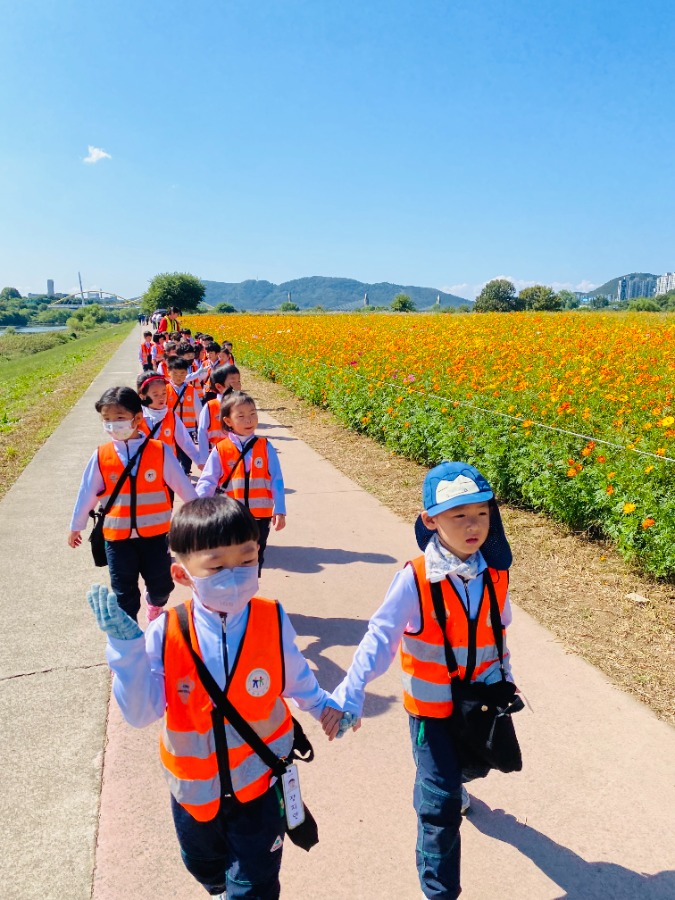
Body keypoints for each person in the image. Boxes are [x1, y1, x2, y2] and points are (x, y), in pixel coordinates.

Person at [87, 495, 332, 899]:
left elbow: (296, 675)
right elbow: (141, 712)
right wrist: (127, 653)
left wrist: (323, 706)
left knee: (254, 883)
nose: (234, 574)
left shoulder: (271, 616)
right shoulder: (166, 632)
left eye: (247, 559)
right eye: (217, 566)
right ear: (182, 575)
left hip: (261, 779)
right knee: (203, 864)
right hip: (194, 791)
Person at [321, 462, 516, 900]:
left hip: (480, 704)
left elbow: (499, 628)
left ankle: (447, 781)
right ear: (430, 520)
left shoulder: (497, 573)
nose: (473, 526)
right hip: (431, 711)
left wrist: (507, 680)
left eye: (482, 514)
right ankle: (440, 892)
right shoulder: (414, 578)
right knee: (440, 807)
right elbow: (379, 638)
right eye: (458, 515)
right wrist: (350, 692)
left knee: (471, 770)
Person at [68, 386, 197, 621]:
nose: (112, 425)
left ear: (137, 418)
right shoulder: (101, 455)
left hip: (155, 536)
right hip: (117, 539)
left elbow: (184, 487)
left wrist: (202, 519)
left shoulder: (159, 451)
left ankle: (154, 604)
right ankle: (132, 637)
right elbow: (87, 493)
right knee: (123, 593)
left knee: (162, 587)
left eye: (119, 418)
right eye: (106, 419)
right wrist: (76, 526)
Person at [196, 392, 285, 573]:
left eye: (253, 414)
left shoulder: (265, 446)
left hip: (260, 518)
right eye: (241, 416)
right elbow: (207, 480)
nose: (248, 420)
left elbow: (277, 479)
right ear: (228, 421)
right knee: (230, 560)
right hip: (230, 517)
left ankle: (247, 593)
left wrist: (280, 509)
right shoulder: (221, 449)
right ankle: (232, 595)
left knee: (254, 560)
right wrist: (197, 508)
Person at [136, 373, 201, 473]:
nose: (161, 397)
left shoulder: (171, 416)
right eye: (155, 394)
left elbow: (186, 442)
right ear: (143, 396)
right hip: (144, 473)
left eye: (164, 393)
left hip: (168, 472)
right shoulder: (136, 419)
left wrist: (200, 462)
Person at [196, 365, 242, 463]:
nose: (238, 385)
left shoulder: (242, 405)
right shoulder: (210, 407)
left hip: (237, 455)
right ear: (219, 386)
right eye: (233, 381)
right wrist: (203, 458)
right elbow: (202, 432)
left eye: (239, 381)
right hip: (215, 456)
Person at [166, 358, 202, 475]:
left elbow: (198, 410)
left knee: (187, 453)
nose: (179, 376)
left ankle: (185, 471)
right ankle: (175, 473)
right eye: (175, 373)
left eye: (182, 373)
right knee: (173, 452)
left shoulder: (191, 390)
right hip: (171, 429)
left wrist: (201, 428)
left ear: (187, 373)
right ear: (168, 372)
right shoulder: (165, 390)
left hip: (188, 429)